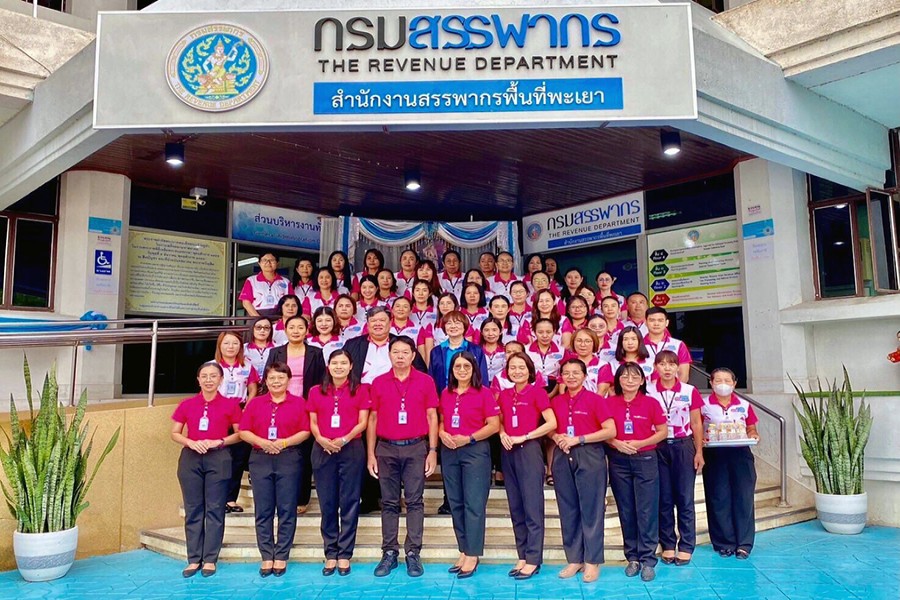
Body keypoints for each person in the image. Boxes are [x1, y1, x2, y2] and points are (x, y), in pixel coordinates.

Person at [367, 336, 440, 578]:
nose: (400, 356)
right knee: (389, 502)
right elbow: (372, 419)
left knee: (414, 501)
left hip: (415, 447)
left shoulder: (425, 381)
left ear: (413, 355)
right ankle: (389, 552)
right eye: (395, 352)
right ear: (389, 355)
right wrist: (371, 454)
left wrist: (432, 451)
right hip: (386, 448)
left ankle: (412, 553)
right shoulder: (378, 382)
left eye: (405, 352)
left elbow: (432, 416)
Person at [170, 361, 242, 578]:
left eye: (213, 376)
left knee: (215, 508)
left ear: (221, 380)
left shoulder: (231, 404)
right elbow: (175, 432)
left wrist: (219, 441)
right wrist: (190, 442)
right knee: (193, 509)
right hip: (191, 458)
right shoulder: (187, 404)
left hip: (218, 457)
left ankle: (210, 559)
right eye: (204, 376)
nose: (209, 380)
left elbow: (240, 434)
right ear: (198, 380)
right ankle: (193, 559)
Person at [239, 362, 311, 577]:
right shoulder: (255, 403)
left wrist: (284, 442)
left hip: (288, 457)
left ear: (289, 380)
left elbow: (306, 431)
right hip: (260, 457)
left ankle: (281, 555)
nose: (276, 382)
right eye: (272, 378)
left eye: (281, 377)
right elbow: (243, 431)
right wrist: (262, 442)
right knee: (263, 509)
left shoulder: (299, 403)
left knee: (287, 508)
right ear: (266, 381)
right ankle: (266, 555)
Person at [550, 359, 616, 583]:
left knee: (591, 510)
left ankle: (592, 560)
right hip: (562, 455)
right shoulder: (557, 401)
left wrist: (579, 439)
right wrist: (556, 436)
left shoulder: (595, 400)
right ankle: (574, 558)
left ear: (585, 376)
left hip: (589, 454)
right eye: (566, 373)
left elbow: (610, 430)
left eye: (576, 373)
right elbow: (549, 428)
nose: (571, 377)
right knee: (568, 509)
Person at [307, 350, 370, 576]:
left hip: (351, 448)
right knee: (327, 502)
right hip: (322, 448)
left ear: (351, 366)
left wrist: (343, 439)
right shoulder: (316, 390)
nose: (339, 367)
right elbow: (313, 421)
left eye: (344, 363)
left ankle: (345, 553)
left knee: (350, 501)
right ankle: (330, 553)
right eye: (335, 363)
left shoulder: (361, 389)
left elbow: (363, 422)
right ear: (328, 365)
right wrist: (321, 439)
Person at [439, 352, 501, 578]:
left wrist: (469, 438)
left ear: (474, 369)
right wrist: (441, 433)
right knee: (455, 502)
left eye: (467, 366)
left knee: (473, 504)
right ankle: (464, 550)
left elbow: (494, 425)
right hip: (450, 451)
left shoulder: (483, 393)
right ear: (452, 370)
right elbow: (442, 421)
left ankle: (473, 554)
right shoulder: (446, 393)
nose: (462, 370)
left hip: (475, 451)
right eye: (458, 366)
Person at [605, 362, 668, 582]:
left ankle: (648, 559)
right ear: (618, 380)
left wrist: (641, 443)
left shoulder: (651, 403)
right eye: (624, 376)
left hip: (645, 459)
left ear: (642, 381)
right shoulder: (609, 403)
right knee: (626, 509)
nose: (629, 381)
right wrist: (616, 443)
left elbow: (662, 431)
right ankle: (632, 557)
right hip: (619, 460)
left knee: (647, 509)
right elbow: (603, 431)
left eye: (634, 377)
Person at [497, 352, 557, 579]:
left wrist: (526, 436)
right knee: (516, 507)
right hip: (508, 451)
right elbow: (499, 420)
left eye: (521, 367)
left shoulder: (537, 392)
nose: (517, 371)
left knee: (532, 507)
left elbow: (551, 422)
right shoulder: (504, 394)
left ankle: (533, 559)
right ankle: (522, 555)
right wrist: (502, 433)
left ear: (530, 370)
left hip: (529, 450)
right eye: (512, 367)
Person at [646, 350, 704, 566]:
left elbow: (696, 423)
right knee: (664, 498)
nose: (667, 368)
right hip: (657, 446)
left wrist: (699, 451)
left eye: (671, 364)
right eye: (662, 364)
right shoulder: (649, 390)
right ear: (656, 367)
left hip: (682, 445)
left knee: (684, 497)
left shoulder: (689, 391)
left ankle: (687, 545)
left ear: (678, 367)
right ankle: (668, 543)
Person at [265, 315, 327, 514]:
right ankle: (280, 496)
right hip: (280, 405)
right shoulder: (275, 352)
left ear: (307, 330)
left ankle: (301, 498)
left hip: (306, 406)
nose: (296, 331)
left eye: (300, 327)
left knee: (304, 452)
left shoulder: (316, 352)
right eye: (291, 327)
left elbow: (322, 381)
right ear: (285, 330)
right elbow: (268, 378)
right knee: (281, 451)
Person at [701, 368, 759, 560]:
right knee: (718, 498)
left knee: (744, 498)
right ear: (711, 383)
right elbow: (697, 428)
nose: (723, 384)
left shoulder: (743, 404)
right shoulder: (703, 405)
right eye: (718, 380)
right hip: (715, 454)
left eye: (727, 380)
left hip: (740, 453)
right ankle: (723, 543)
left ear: (734, 383)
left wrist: (753, 435)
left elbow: (751, 428)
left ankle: (744, 544)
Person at [216, 331, 259, 514]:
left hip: (241, 411)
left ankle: (230, 499)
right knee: (219, 457)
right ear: (220, 345)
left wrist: (247, 408)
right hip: (218, 412)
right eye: (226, 343)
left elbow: (253, 389)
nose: (230, 347)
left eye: (235, 343)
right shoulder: (213, 366)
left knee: (239, 456)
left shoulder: (247, 365)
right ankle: (217, 498)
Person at [428, 310, 489, 394]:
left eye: (457, 323)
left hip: (471, 396)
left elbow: (483, 378)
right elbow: (431, 380)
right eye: (449, 323)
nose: (453, 326)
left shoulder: (476, 350)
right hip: (443, 397)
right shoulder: (436, 352)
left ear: (464, 326)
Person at [598, 326, 653, 396]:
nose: (630, 343)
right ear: (621, 342)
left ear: (640, 341)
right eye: (625, 339)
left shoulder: (652, 364)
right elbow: (602, 392)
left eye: (633, 339)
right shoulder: (611, 365)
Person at [644, 307, 692, 382]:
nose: (656, 324)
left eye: (660, 320)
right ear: (645, 322)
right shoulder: (637, 345)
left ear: (667, 323)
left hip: (671, 388)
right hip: (645, 388)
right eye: (652, 320)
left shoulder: (678, 345)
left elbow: (684, 375)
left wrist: (674, 389)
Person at [239, 252, 293, 317]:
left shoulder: (285, 282)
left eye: (272, 260)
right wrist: (259, 318)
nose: (268, 263)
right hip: (256, 315)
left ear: (277, 263)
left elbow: (292, 301)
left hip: (280, 316)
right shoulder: (251, 280)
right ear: (259, 263)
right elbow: (246, 302)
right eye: (264, 260)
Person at [526, 318, 565, 395]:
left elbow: (563, 375)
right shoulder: (526, 350)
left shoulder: (562, 351)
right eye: (540, 332)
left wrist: (552, 394)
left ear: (554, 332)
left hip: (554, 388)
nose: (545, 335)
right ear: (534, 332)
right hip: (530, 387)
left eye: (548, 332)